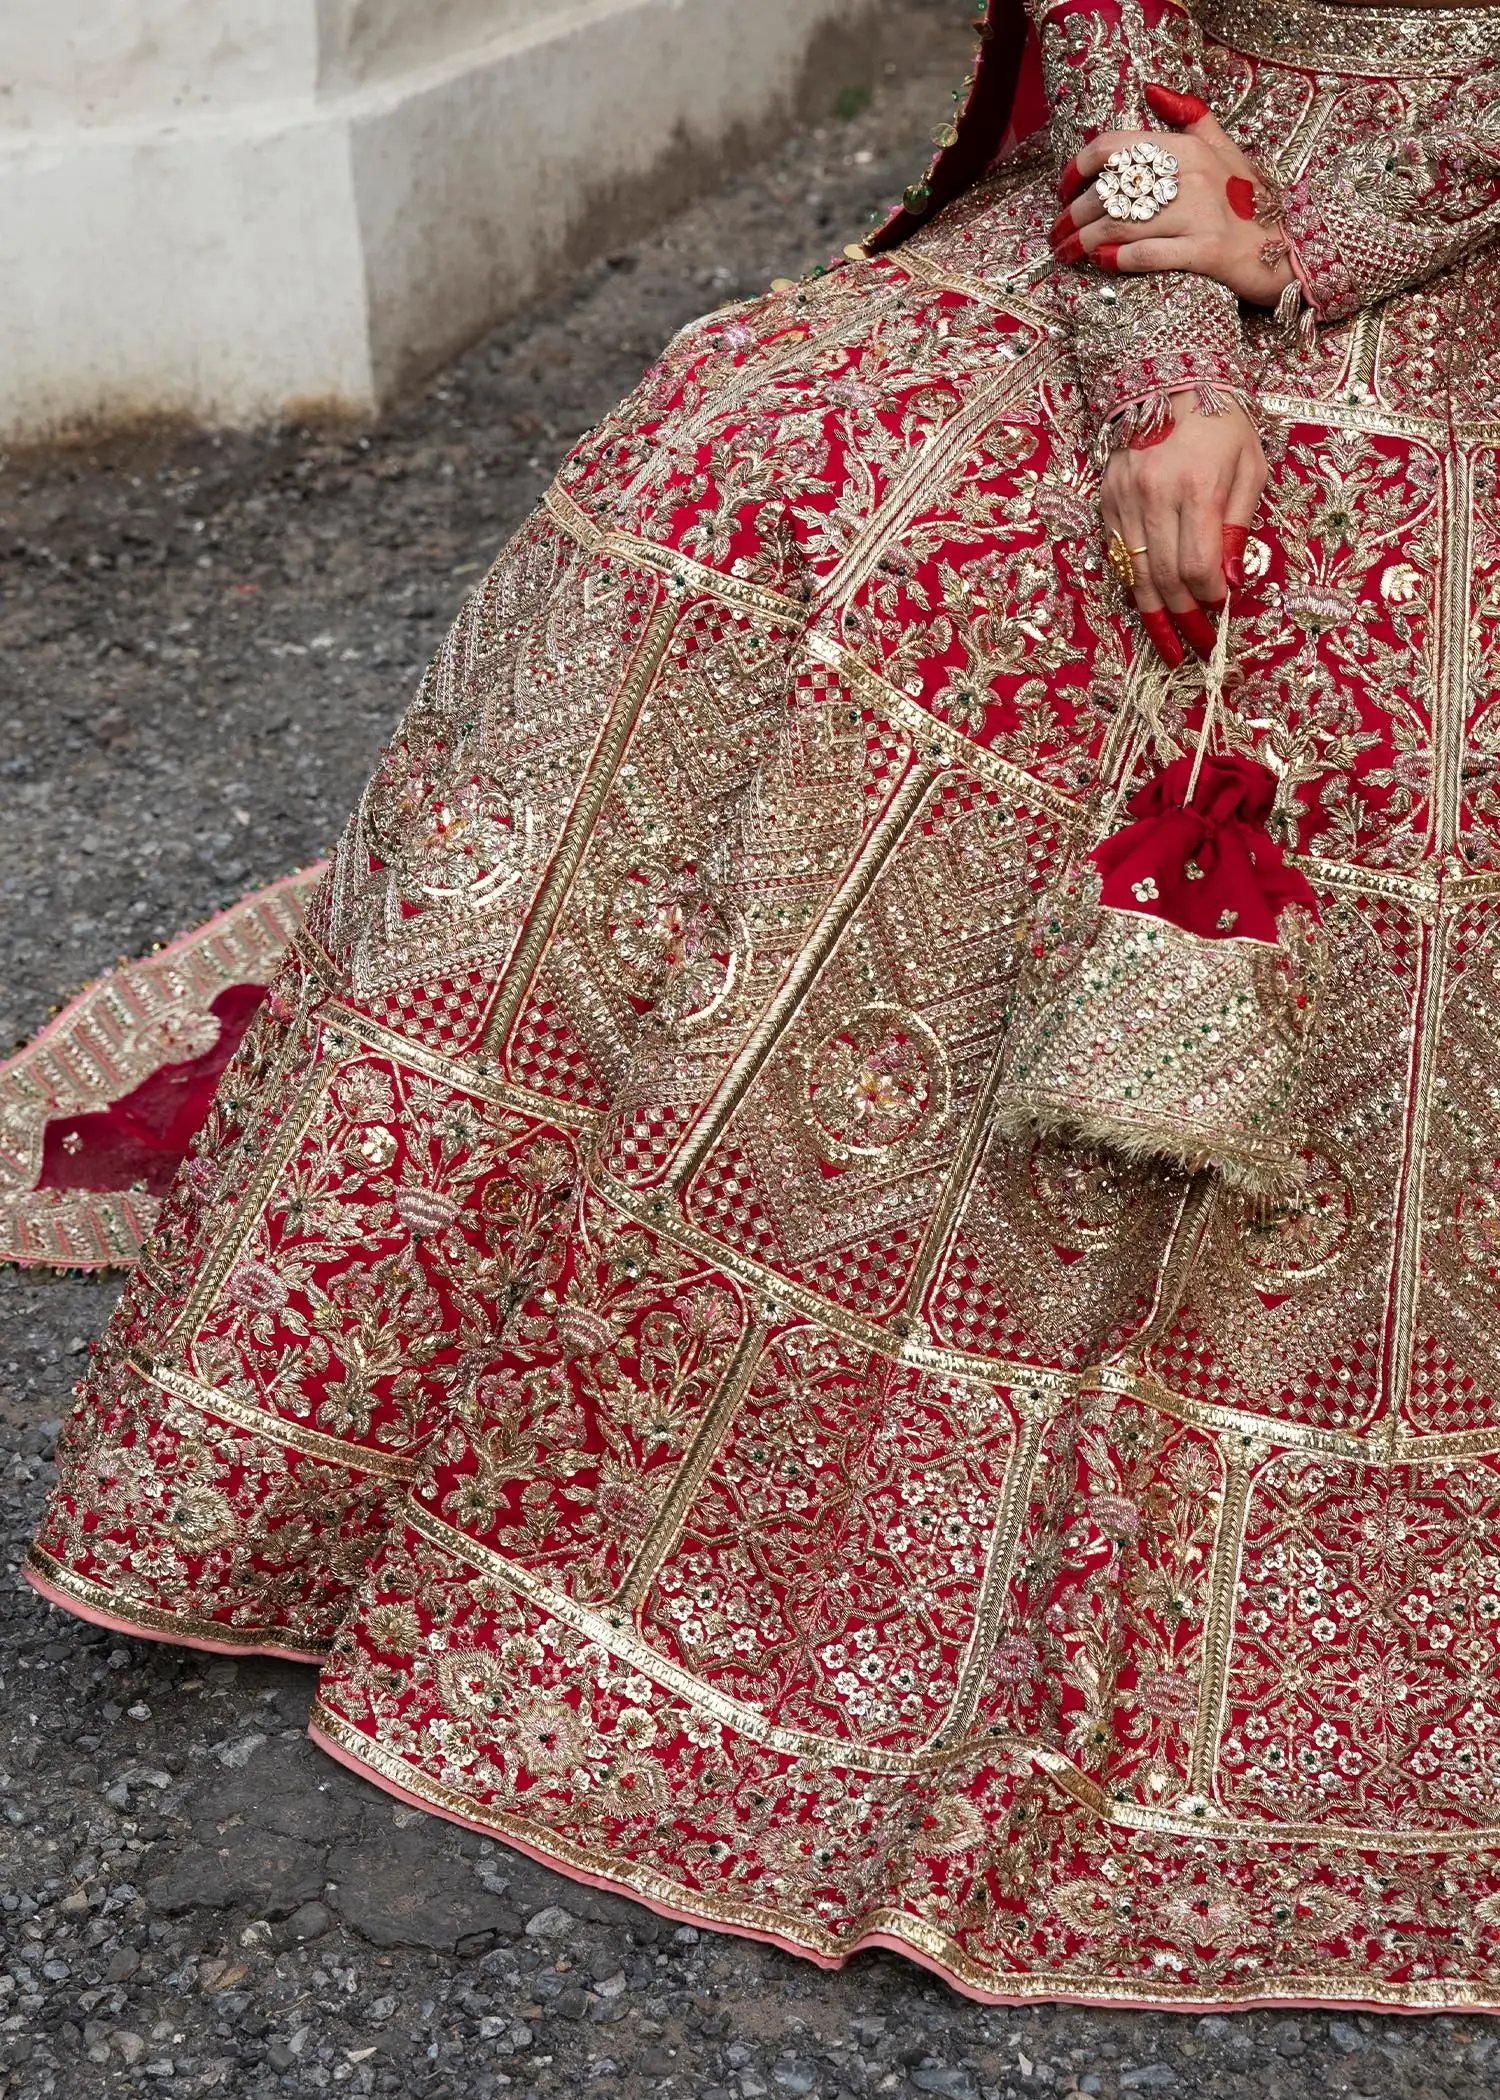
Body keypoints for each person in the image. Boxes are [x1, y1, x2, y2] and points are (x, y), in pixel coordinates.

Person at [26, 0, 1500, 2010]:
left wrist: (1311, 250)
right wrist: (1168, 329)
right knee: (762, 442)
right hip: (1178, 194)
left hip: (1449, 237)